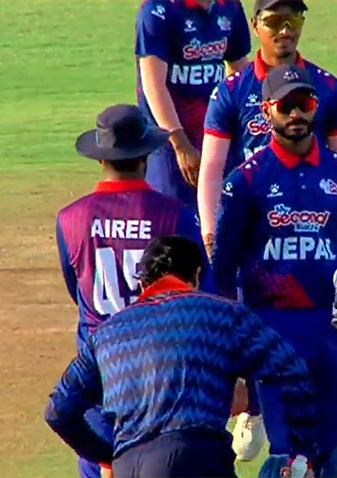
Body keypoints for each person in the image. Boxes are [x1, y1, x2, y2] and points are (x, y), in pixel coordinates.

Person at [211, 64, 337, 478]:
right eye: (286, 106)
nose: (296, 113)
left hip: (334, 328)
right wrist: (229, 345)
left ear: (316, 106)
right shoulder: (245, 182)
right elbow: (222, 270)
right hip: (272, 331)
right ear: (266, 111)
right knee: (289, 460)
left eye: (304, 103)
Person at [197, 0, 337, 460]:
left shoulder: (328, 88)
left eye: (294, 20)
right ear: (255, 26)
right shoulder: (232, 90)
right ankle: (252, 408)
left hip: (309, 224)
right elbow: (212, 168)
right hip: (248, 220)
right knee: (249, 319)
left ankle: (310, 438)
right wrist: (211, 228)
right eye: (274, 21)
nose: (285, 30)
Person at [45, 235, 318, 478]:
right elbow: (290, 369)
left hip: (129, 463)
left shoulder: (106, 333)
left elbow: (58, 410)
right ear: (196, 275)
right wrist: (300, 452)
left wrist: (107, 454)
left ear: (142, 282)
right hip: (196, 457)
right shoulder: (224, 315)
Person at [55, 104, 216, 478]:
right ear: (145, 156)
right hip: (162, 372)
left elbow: (76, 290)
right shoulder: (174, 215)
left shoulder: (70, 218)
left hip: (99, 369)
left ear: (101, 159)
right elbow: (201, 293)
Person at [135, 0, 253, 206]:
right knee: (171, 214)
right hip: (168, 141)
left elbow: (239, 70)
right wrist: (181, 146)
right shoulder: (157, 10)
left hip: (215, 135)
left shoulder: (230, 6)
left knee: (222, 212)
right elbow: (154, 86)